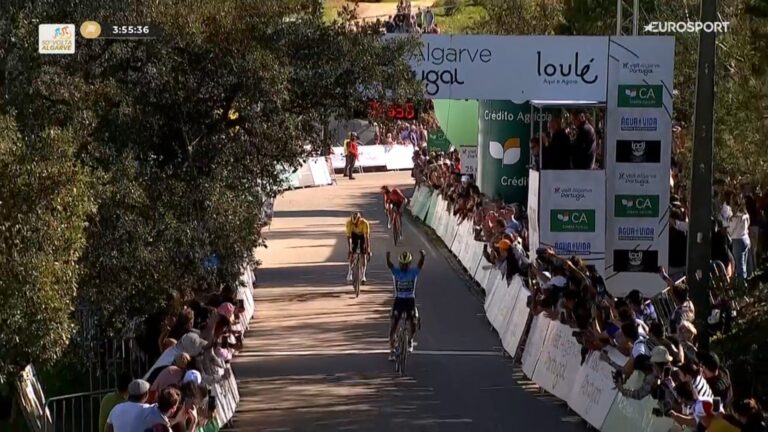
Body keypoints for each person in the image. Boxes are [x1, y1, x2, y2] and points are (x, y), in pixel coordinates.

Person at [385, 250, 425, 360]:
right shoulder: (396, 271)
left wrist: (423, 256)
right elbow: (390, 265)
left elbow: (420, 264)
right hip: (398, 300)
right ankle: (392, 350)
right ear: (399, 263)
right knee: (393, 324)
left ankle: (410, 339)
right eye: (401, 264)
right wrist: (388, 258)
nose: (403, 266)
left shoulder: (413, 272)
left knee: (413, 321)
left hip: (409, 300)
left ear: (409, 264)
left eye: (405, 264)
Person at [345, 212, 371, 284]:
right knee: (352, 252)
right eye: (354, 224)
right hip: (353, 236)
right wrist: (350, 248)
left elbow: (366, 238)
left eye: (356, 223)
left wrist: (368, 249)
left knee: (363, 254)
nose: (355, 225)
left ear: (360, 220)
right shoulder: (349, 223)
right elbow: (349, 237)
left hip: (362, 235)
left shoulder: (365, 223)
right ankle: (350, 272)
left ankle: (363, 275)